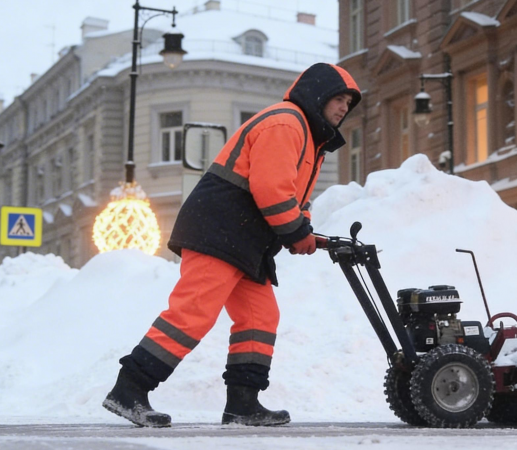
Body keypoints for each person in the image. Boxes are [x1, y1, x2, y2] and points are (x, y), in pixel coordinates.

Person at [102, 63, 361, 428]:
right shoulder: (286, 122)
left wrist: (305, 231)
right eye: (338, 98)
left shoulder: (309, 138)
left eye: (348, 103)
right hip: (219, 230)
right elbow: (271, 189)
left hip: (244, 238)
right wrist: (296, 233)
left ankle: (243, 403)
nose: (343, 108)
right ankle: (129, 388)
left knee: (260, 317)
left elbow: (292, 195)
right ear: (317, 94)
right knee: (194, 311)